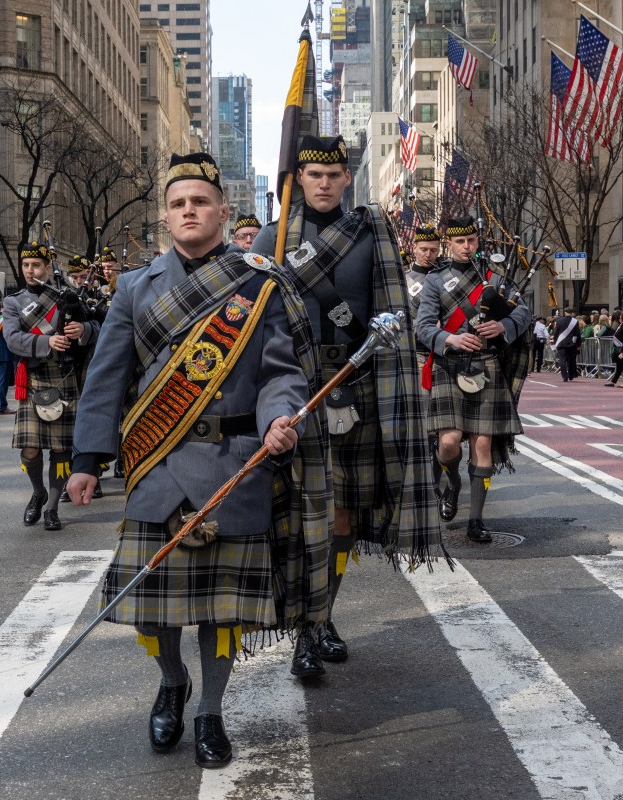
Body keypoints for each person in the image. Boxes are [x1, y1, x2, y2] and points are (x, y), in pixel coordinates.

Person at [65, 151, 324, 770]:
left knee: (222, 611)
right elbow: (106, 379)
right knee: (152, 612)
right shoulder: (135, 287)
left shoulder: (258, 283)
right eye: (179, 203)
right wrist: (85, 458)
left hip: (235, 461)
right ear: (165, 216)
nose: (189, 211)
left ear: (222, 211)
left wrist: (278, 421)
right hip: (156, 459)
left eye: (200, 202)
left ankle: (210, 709)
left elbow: (279, 375)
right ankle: (172, 681)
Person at [250, 134, 439, 679]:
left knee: (342, 518)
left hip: (357, 386)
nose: (326, 183)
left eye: (335, 175)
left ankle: (320, 617)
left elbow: (393, 307)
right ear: (298, 179)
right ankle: (304, 624)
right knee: (302, 515)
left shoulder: (369, 233)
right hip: (293, 386)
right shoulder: (273, 235)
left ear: (346, 178)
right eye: (315, 175)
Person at [415, 214, 532, 543]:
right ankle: (452, 483)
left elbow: (523, 312)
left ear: (478, 241)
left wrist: (502, 327)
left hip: (486, 366)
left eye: (472, 241)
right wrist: (449, 339)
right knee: (448, 442)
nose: (467, 247)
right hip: (450, 367)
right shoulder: (435, 281)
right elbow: (423, 327)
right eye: (460, 242)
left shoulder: (495, 277)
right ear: (448, 244)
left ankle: (476, 520)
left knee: (482, 443)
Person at [4, 240, 99, 530]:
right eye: (25, 265)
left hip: (65, 376)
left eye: (36, 265)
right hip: (34, 379)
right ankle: (38, 492)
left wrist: (83, 330)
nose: (30, 270)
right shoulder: (14, 302)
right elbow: (12, 338)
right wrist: (47, 341)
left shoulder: (67, 296)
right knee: (30, 448)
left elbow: (98, 326)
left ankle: (53, 508)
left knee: (60, 450)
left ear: (47, 268)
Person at [406, 223, 442, 319]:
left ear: (438, 251)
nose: (428, 255)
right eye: (423, 249)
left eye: (433, 250)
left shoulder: (444, 276)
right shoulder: (403, 279)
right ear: (415, 249)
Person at [604, 310, 623, 388]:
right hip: (619, 348)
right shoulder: (622, 325)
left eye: (621, 318)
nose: (619, 319)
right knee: (619, 366)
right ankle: (613, 381)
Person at [551, 307, 581, 382]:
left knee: (562, 360)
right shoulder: (575, 321)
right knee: (571, 360)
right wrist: (578, 344)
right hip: (571, 343)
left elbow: (556, 333)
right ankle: (571, 375)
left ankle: (565, 376)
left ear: (565, 312)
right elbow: (577, 334)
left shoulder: (559, 321)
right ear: (571, 313)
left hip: (561, 343)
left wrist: (555, 343)